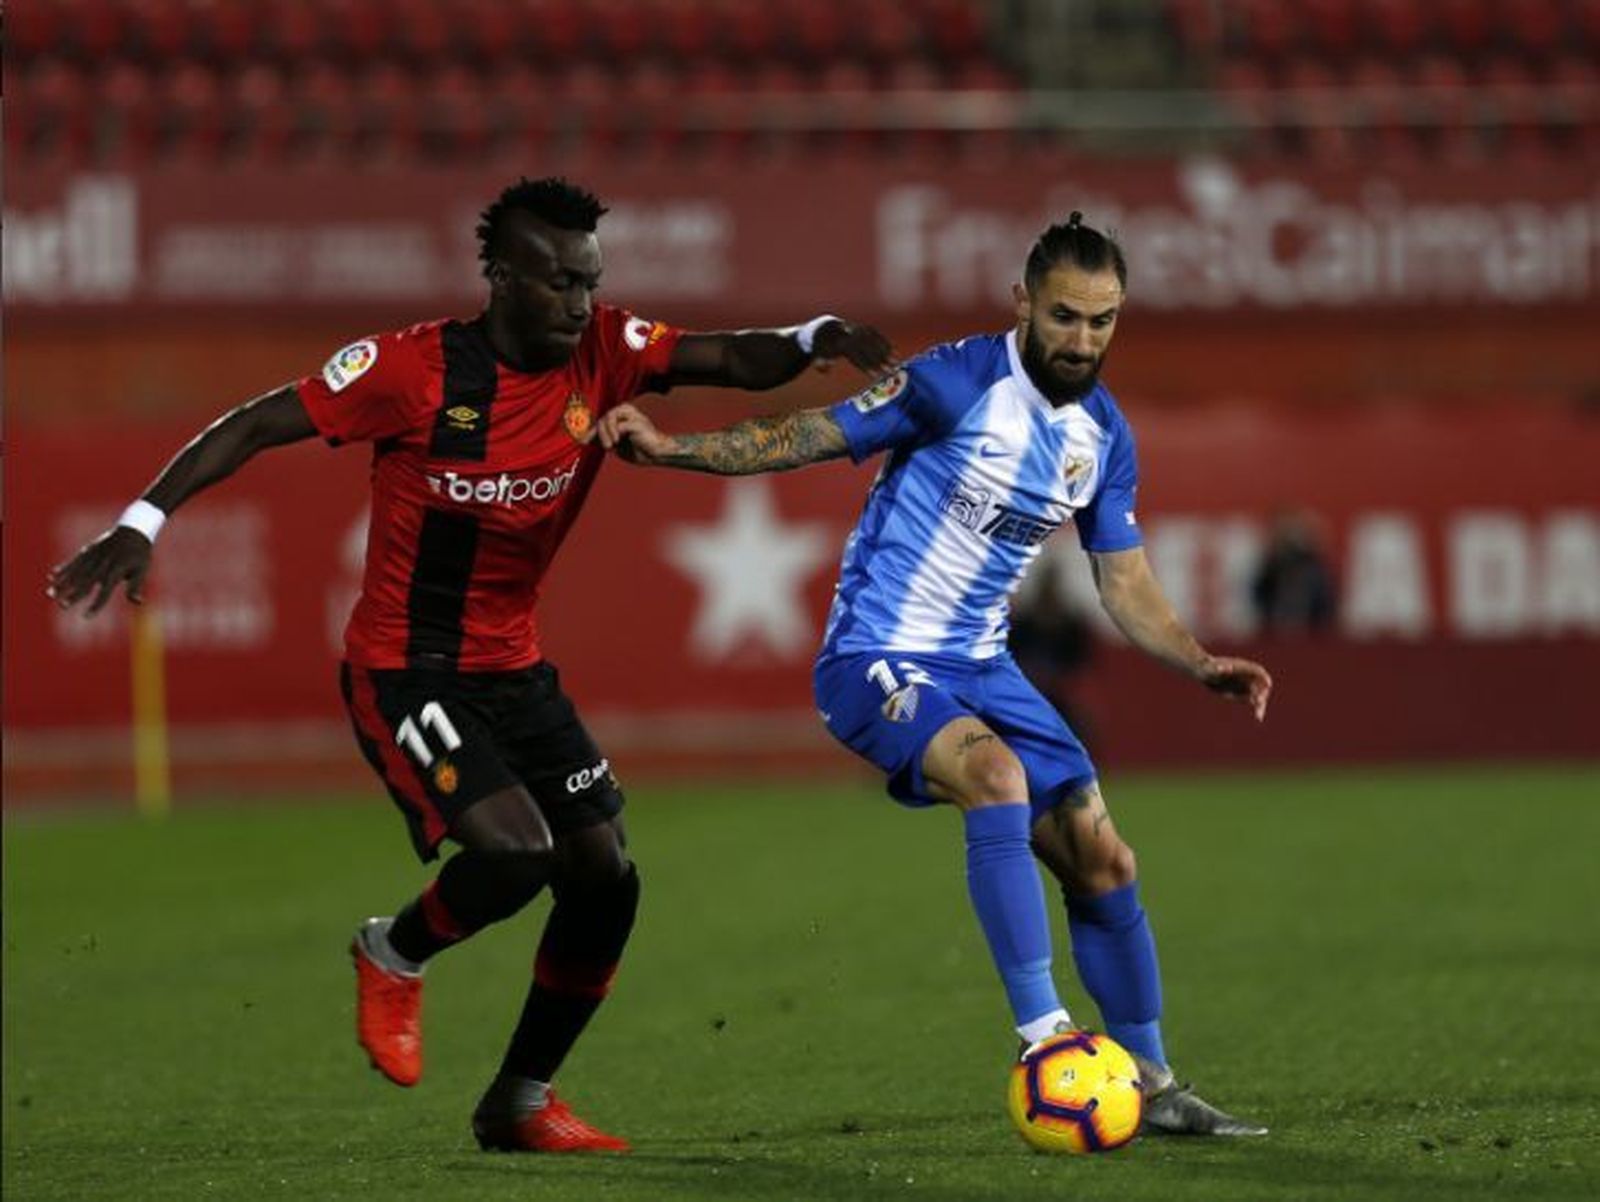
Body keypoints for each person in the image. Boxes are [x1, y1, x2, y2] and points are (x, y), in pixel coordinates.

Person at [46, 176, 896, 1154]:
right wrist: (142, 520)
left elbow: (730, 357)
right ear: (499, 276)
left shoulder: (607, 349)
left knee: (605, 875)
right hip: (406, 668)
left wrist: (814, 333)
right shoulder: (409, 369)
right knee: (517, 852)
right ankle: (393, 949)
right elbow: (252, 424)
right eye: (557, 281)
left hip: (513, 667)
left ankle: (520, 1100)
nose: (578, 302)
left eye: (588, 280)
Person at [598, 212, 1274, 1137]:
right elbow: (807, 434)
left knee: (1104, 858)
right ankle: (1047, 1042)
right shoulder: (953, 383)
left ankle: (1153, 1084)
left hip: (984, 667)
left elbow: (1124, 582)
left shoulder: (1104, 436)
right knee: (995, 774)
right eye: (1065, 316)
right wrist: (676, 448)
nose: (1082, 341)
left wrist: (1198, 661)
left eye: (1102, 321)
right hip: (874, 657)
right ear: (1022, 303)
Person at [1251, 507, 1338, 634]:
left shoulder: (1313, 568)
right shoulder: (1270, 567)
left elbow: (1325, 606)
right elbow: (1259, 599)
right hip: (1273, 634)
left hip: (1310, 636)